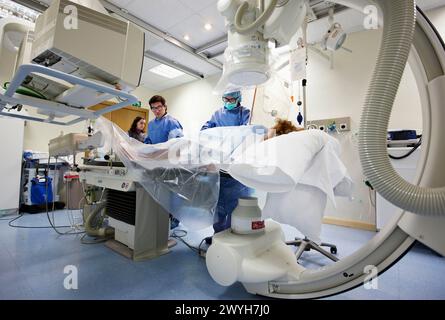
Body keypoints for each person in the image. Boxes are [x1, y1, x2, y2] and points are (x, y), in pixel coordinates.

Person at [201, 91, 253, 243]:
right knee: (218, 207)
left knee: (235, 207)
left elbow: (246, 132)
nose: (228, 101)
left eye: (232, 99)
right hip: (218, 164)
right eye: (226, 99)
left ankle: (232, 239)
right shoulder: (217, 114)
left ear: (239, 99)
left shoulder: (245, 113)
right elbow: (204, 131)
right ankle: (219, 236)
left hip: (236, 164)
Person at [144, 95, 183, 229]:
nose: (156, 110)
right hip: (156, 163)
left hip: (170, 164)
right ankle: (160, 217)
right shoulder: (150, 124)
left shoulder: (172, 122)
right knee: (159, 192)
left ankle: (174, 218)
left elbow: (177, 145)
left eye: (159, 107)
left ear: (165, 106)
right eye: (153, 108)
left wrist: (164, 155)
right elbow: (148, 142)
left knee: (172, 193)